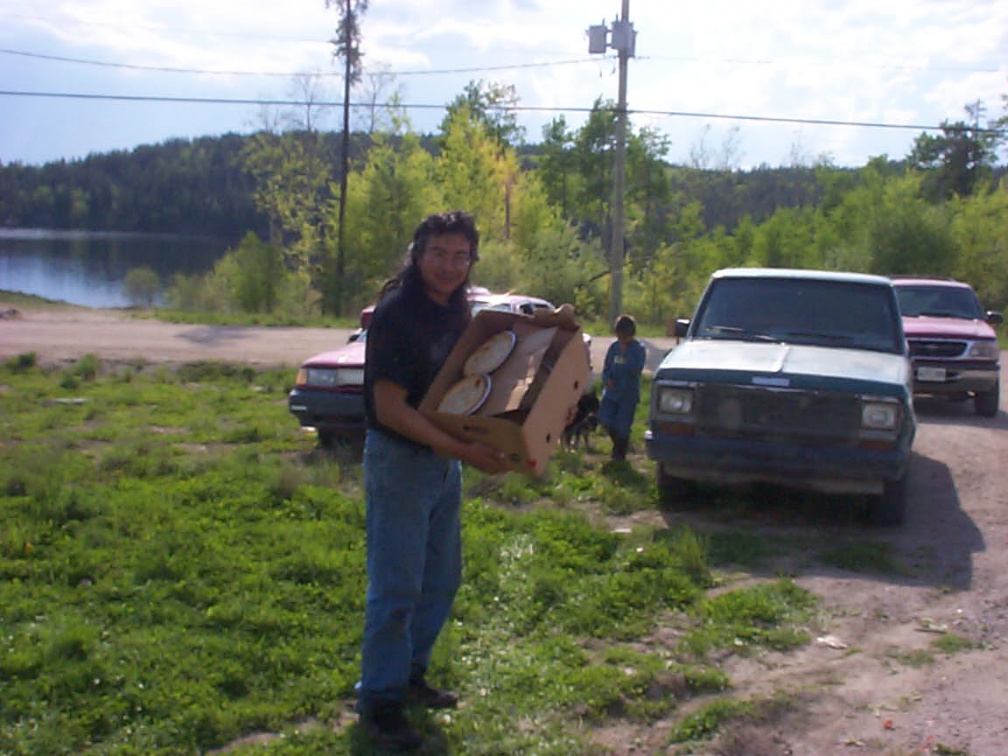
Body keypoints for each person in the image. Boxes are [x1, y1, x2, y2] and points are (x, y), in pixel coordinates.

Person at [358, 210, 510, 751]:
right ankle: (379, 702)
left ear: (471, 260)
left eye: (460, 255)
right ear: (418, 252)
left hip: (441, 464)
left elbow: (469, 386)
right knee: (396, 587)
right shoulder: (399, 313)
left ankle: (409, 675)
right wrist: (464, 450)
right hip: (400, 461)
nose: (449, 266)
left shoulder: (460, 309)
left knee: (441, 579)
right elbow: (391, 410)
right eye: (438, 253)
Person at [597, 314, 647, 462]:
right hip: (611, 393)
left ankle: (620, 453)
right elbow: (606, 367)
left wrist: (626, 354)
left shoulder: (638, 349)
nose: (622, 340)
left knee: (623, 426)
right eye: (620, 337)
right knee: (605, 419)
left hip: (628, 394)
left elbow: (636, 369)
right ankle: (618, 445)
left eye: (625, 337)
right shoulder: (613, 348)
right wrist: (607, 380)